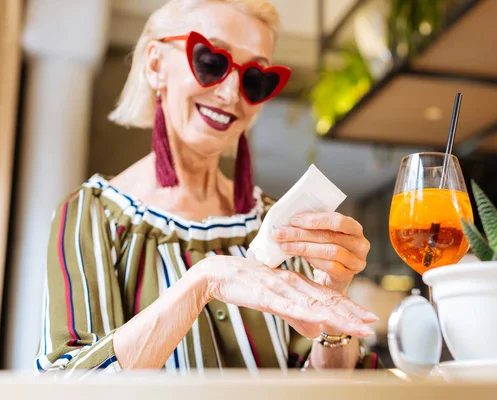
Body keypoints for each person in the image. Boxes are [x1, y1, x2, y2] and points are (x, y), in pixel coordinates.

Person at [35, 0, 380, 373]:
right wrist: (204, 279)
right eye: (212, 61)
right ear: (155, 65)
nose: (232, 94)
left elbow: (327, 390)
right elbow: (71, 384)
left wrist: (333, 305)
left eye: (254, 78)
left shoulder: (277, 222)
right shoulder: (94, 215)